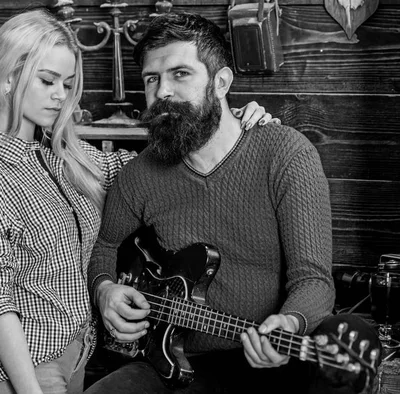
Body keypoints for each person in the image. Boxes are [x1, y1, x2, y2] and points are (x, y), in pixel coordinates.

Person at [0, 8, 274, 394]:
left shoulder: (64, 157)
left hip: (77, 356)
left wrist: (228, 124)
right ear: (7, 79)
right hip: (21, 371)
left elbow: (147, 170)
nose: (59, 96)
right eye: (47, 81)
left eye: (67, 84)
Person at [86, 11, 339, 394]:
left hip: (278, 360)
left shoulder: (285, 154)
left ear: (221, 82)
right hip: (182, 360)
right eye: (152, 79)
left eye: (180, 74)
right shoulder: (140, 174)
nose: (162, 92)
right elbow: (103, 246)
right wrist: (104, 289)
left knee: (351, 332)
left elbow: (314, 280)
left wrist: (288, 324)